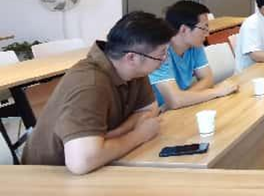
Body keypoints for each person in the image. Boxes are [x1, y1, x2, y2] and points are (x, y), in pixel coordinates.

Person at [22, 12, 175, 174]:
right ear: (132, 57)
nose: (164, 59)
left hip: (99, 164)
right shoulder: (90, 84)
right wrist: (139, 135)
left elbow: (149, 110)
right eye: (161, 55)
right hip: (48, 175)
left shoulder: (134, 71)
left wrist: (113, 135)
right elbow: (81, 162)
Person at [149, 1, 238, 111]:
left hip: (179, 107)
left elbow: (207, 79)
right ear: (184, 29)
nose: (207, 34)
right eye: (204, 28)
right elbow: (175, 101)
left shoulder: (195, 45)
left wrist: (183, 98)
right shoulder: (159, 53)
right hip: (159, 113)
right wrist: (217, 92)